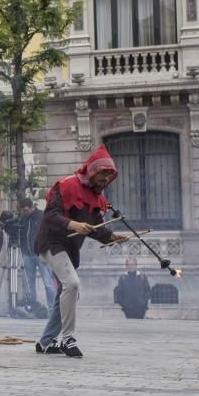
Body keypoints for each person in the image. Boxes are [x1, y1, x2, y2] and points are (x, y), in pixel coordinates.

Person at [34, 146, 129, 357]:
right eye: (102, 174)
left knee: (67, 293)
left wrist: (112, 237)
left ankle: (45, 342)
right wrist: (74, 225)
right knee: (72, 284)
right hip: (51, 242)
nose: (105, 180)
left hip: (69, 248)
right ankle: (68, 339)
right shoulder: (67, 185)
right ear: (93, 172)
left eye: (108, 176)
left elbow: (96, 229)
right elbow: (50, 216)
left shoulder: (99, 199)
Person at [18, 197, 57, 311]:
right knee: (30, 284)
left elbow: (49, 233)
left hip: (40, 254)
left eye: (26, 210)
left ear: (32, 207)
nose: (25, 213)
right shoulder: (23, 218)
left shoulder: (41, 216)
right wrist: (23, 250)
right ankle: (34, 307)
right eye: (23, 211)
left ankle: (52, 309)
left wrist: (46, 250)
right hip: (27, 254)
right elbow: (22, 235)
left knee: (48, 283)